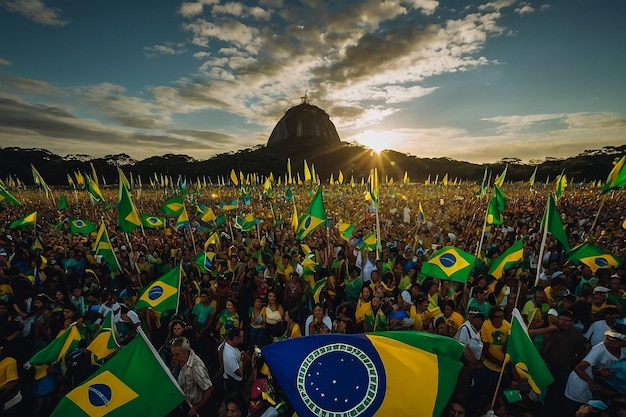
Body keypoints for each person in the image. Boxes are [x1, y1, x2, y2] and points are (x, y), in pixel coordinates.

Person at [565, 324, 626, 412]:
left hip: (599, 381)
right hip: (582, 383)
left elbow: (596, 368)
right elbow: (578, 368)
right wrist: (592, 383)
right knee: (580, 410)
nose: (608, 341)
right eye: (608, 339)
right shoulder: (598, 350)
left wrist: (600, 372)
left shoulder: (623, 349)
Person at [171, 336, 214, 417]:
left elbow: (208, 389)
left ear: (186, 352)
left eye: (176, 355)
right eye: (172, 355)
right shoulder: (178, 362)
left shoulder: (196, 367)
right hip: (185, 402)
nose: (174, 358)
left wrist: (195, 408)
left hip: (197, 407)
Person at [222, 327, 245, 398]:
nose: (243, 338)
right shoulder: (230, 355)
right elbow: (238, 373)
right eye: (241, 337)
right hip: (234, 382)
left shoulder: (227, 344)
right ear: (235, 338)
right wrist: (242, 361)